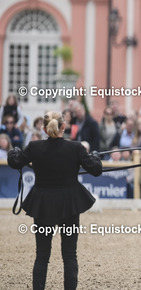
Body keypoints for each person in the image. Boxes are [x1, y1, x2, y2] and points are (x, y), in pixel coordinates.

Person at [7, 111, 102, 290]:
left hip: (43, 204)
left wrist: (15, 151)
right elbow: (96, 169)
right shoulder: (76, 147)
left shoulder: (34, 147)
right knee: (70, 255)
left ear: (44, 129)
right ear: (64, 127)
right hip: (69, 204)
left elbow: (15, 162)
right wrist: (94, 156)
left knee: (42, 256)